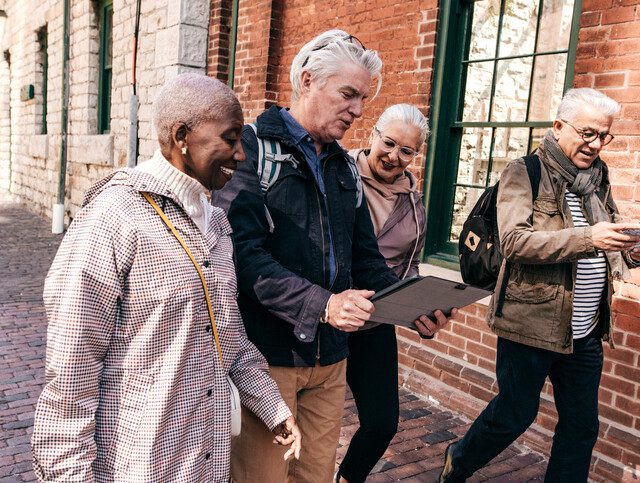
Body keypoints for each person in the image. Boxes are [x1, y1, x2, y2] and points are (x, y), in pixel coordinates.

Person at [31, 73, 301, 482]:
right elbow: (71, 373)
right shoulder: (114, 216)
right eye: (230, 138)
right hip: (140, 465)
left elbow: (227, 340)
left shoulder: (216, 224)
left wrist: (273, 409)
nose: (242, 155)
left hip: (204, 461)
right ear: (181, 137)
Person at [213, 30, 453, 483]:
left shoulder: (343, 165)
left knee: (316, 477)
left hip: (330, 362)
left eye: (363, 99)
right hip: (268, 359)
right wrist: (323, 305)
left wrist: (413, 302)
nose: (359, 110)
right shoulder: (250, 149)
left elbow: (364, 258)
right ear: (307, 81)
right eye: (348, 94)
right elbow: (240, 256)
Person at [438, 88, 640, 483]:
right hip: (529, 324)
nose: (596, 144)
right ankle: (458, 461)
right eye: (588, 133)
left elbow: (605, 244)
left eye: (604, 136)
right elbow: (514, 242)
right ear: (559, 126)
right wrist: (589, 238)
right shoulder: (524, 171)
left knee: (582, 427)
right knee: (514, 415)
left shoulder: (598, 178)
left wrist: (631, 248)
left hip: (583, 331)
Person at [336, 104, 429, 483]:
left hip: (374, 322)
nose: (394, 156)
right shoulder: (337, 173)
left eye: (406, 151)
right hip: (326, 313)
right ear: (372, 134)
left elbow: (411, 267)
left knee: (382, 422)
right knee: (305, 422)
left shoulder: (413, 203)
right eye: (388, 143)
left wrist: (423, 308)